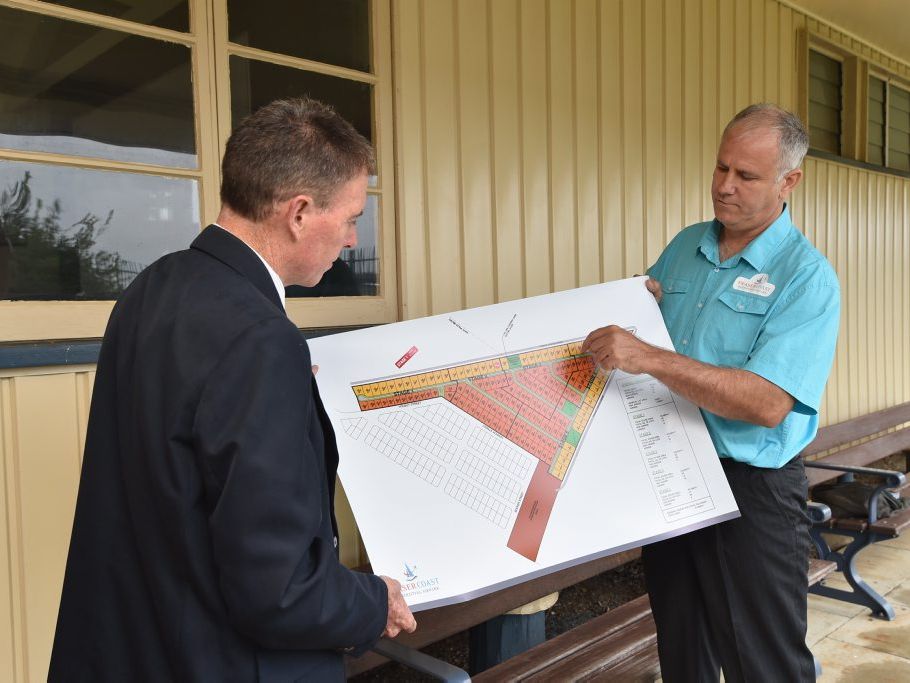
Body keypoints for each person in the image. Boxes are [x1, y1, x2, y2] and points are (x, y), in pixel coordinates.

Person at [49, 98, 416, 682]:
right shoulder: (259, 342)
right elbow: (281, 590)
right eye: (350, 217)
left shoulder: (155, 285)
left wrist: (277, 395)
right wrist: (374, 600)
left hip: (140, 648)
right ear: (298, 212)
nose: (352, 239)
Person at [583, 103, 840, 682]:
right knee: (683, 650)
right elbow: (641, 325)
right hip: (672, 473)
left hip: (751, 489)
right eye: (721, 167)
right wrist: (630, 309)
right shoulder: (687, 246)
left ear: (788, 181)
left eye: (745, 176)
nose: (724, 187)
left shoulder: (806, 276)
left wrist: (648, 355)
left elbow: (768, 403)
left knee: (764, 662)